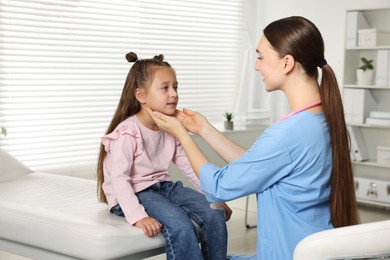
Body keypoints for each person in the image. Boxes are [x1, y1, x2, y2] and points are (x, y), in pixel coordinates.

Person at [148, 16, 360, 260]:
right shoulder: (320, 120)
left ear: (287, 63)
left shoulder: (288, 134)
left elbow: (218, 187)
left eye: (260, 57)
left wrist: (182, 135)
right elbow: (258, 165)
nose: (256, 66)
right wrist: (204, 129)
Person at [96, 52, 232, 260]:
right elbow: (119, 179)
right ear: (141, 95)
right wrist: (138, 217)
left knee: (214, 214)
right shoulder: (127, 133)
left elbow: (189, 166)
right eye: (165, 88)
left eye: (175, 87)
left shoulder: (170, 127)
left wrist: (213, 198)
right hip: (135, 191)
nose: (174, 94)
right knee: (180, 224)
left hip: (163, 187)